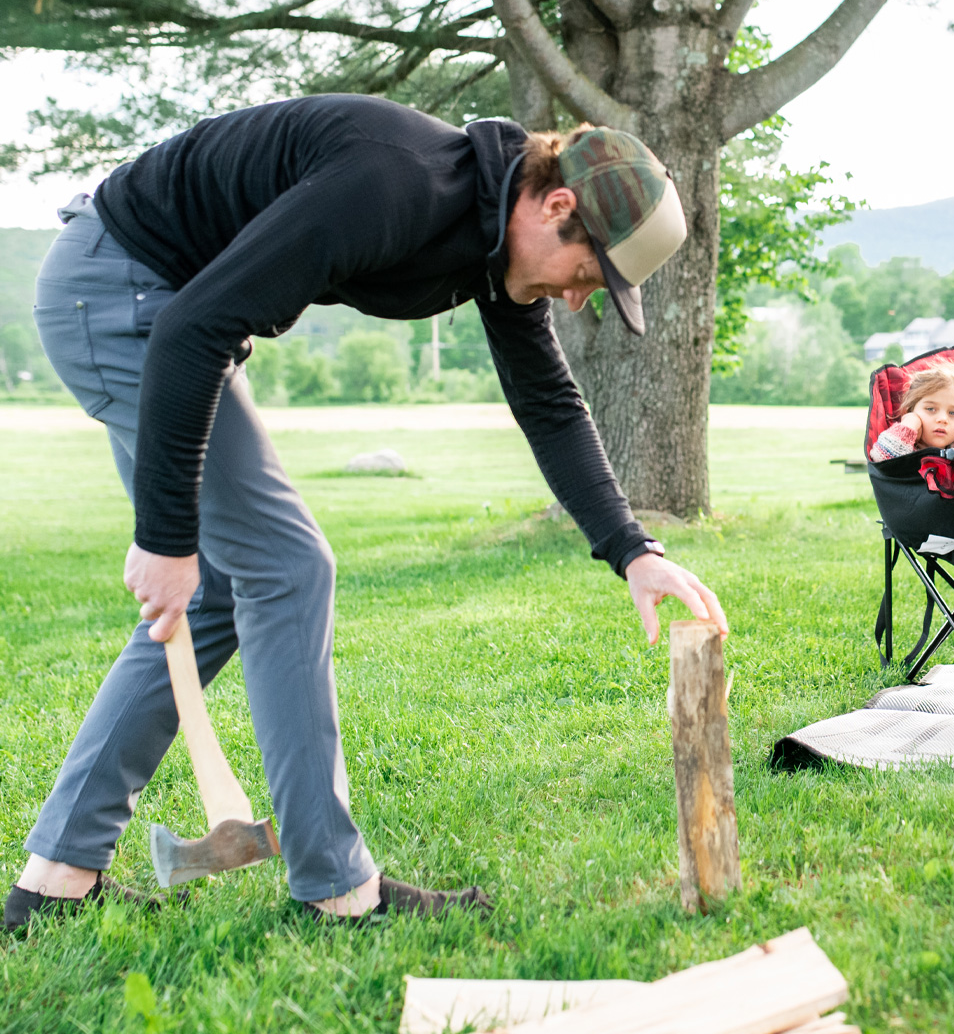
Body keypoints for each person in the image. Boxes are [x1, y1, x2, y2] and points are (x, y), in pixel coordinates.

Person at [7, 94, 729, 931]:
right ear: (555, 205)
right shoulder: (397, 184)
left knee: (223, 592)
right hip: (127, 300)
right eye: (589, 273)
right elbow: (191, 331)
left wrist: (633, 549)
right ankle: (337, 890)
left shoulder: (489, 235)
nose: (578, 300)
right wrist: (164, 539)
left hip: (157, 307)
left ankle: (54, 881)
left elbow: (550, 405)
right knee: (287, 566)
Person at [869, 361, 954, 461]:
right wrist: (909, 425)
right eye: (930, 409)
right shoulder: (900, 442)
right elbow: (881, 458)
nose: (943, 419)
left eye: (953, 413)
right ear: (910, 411)